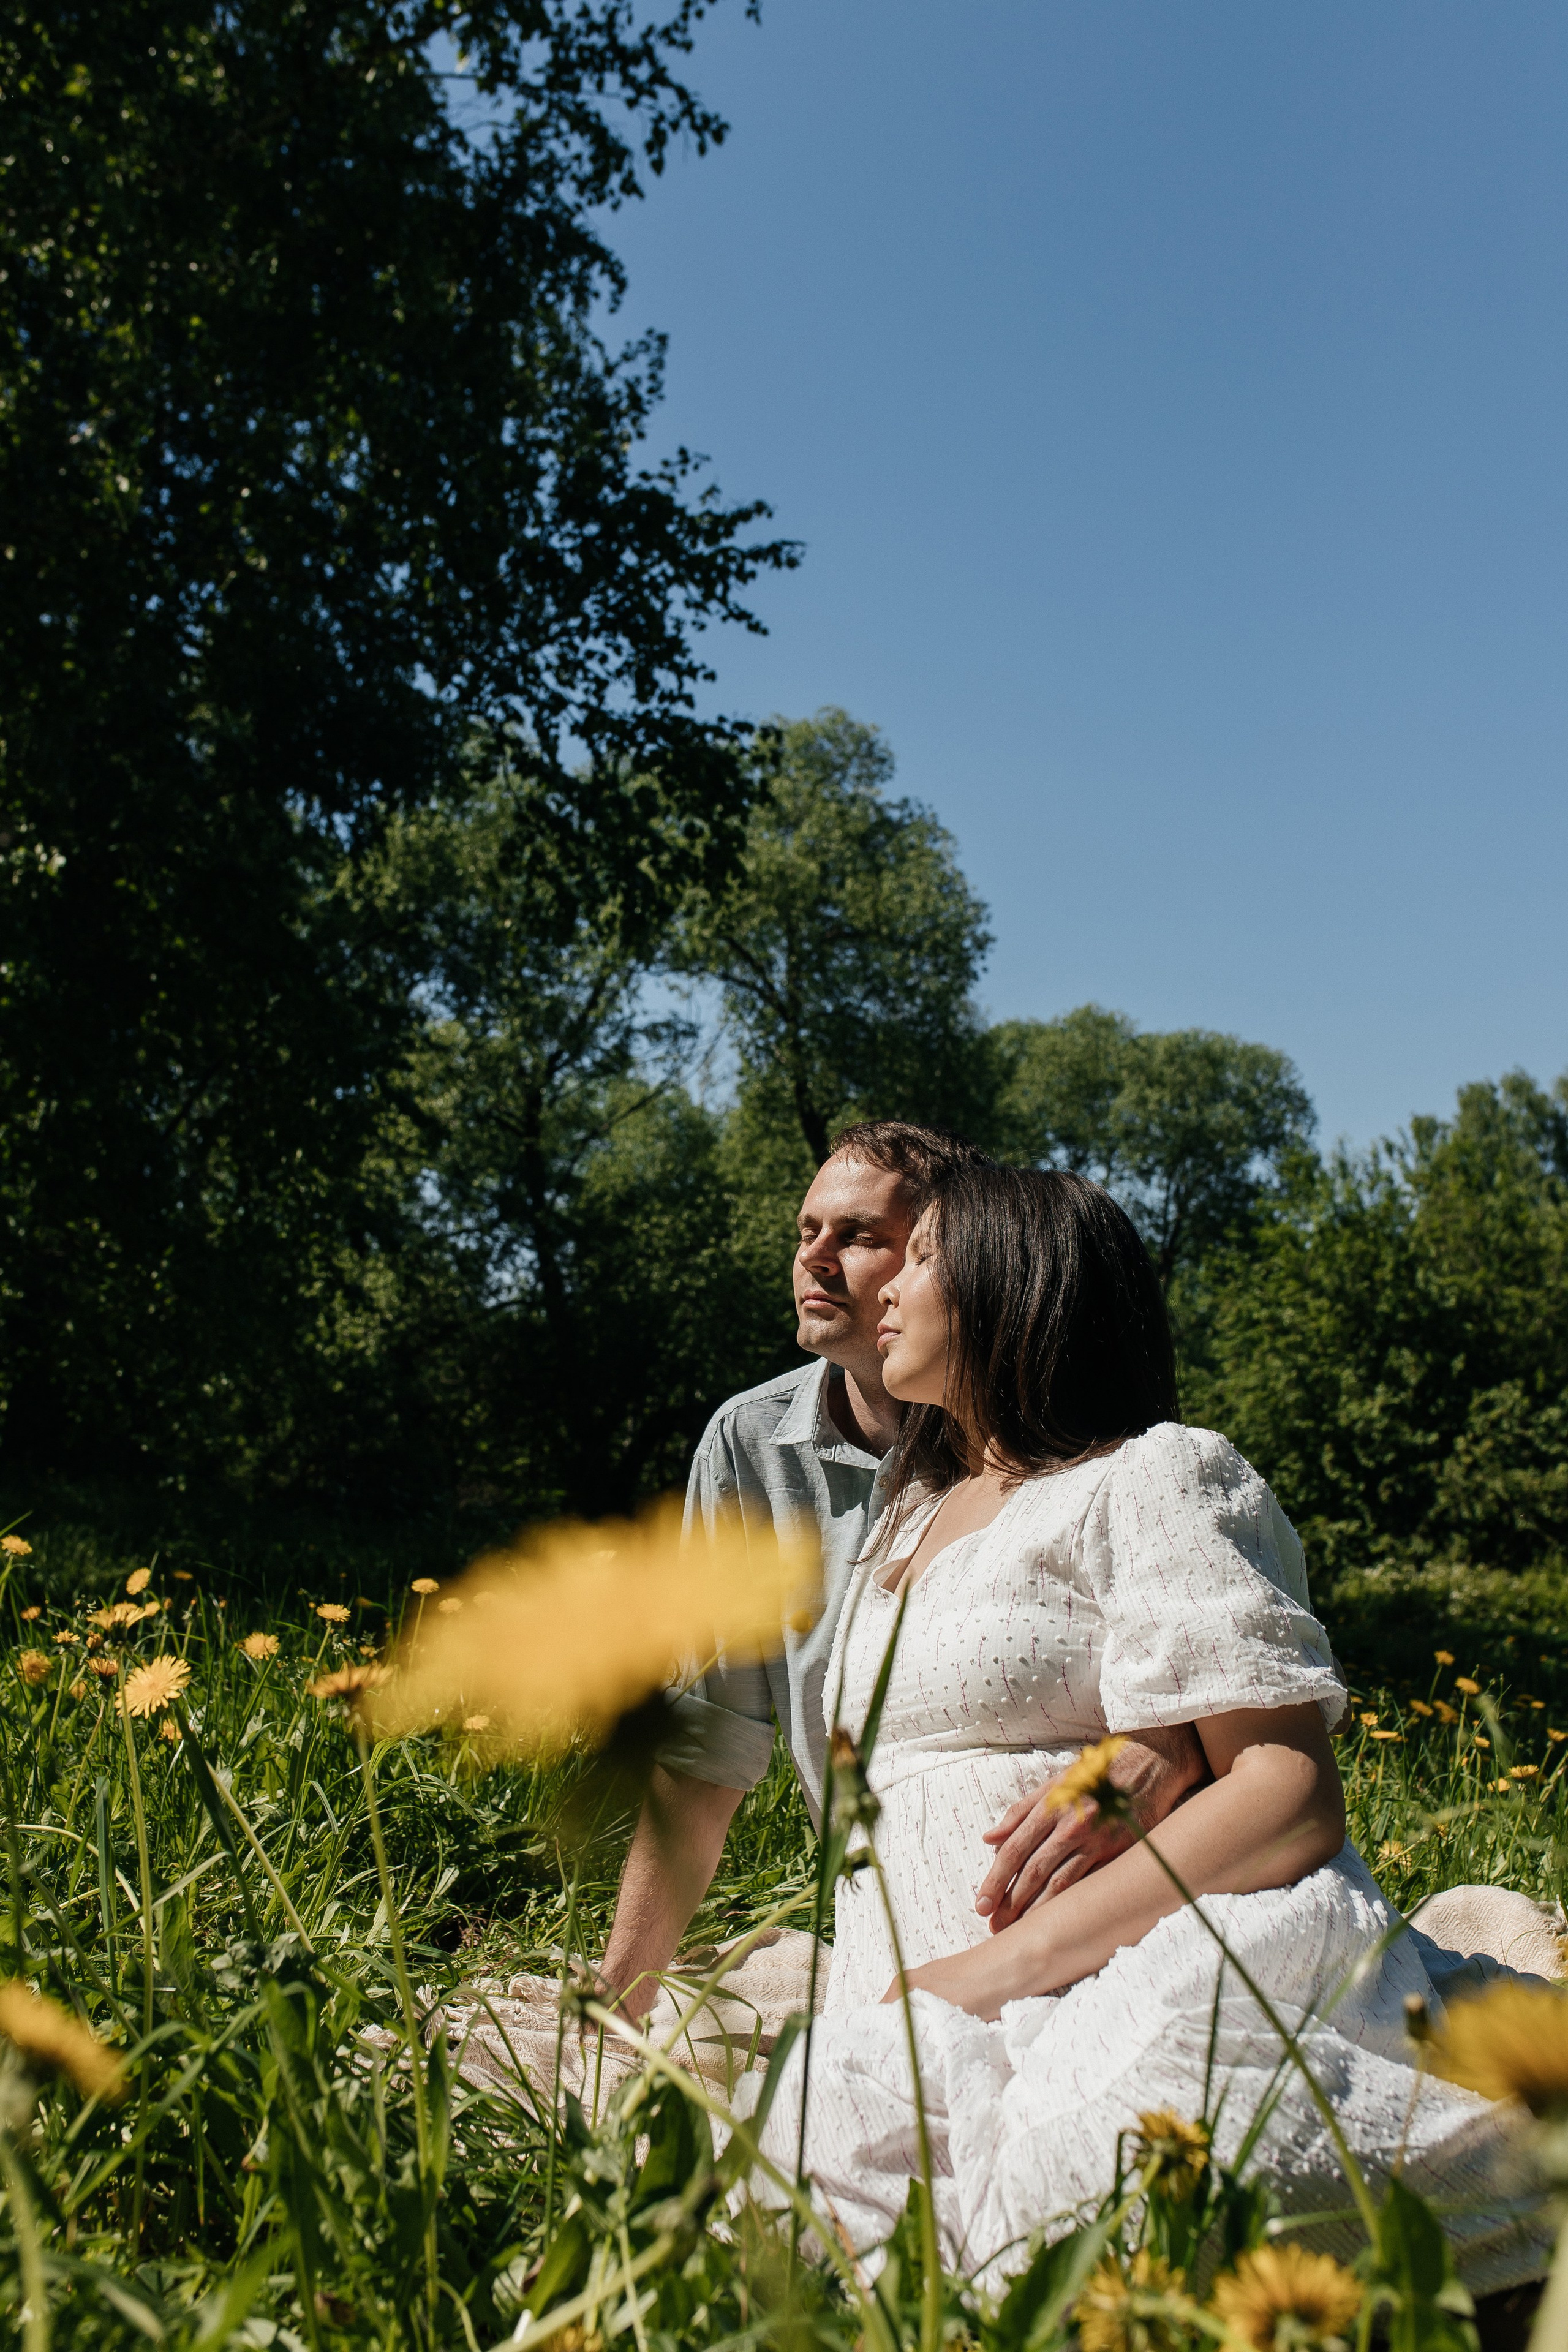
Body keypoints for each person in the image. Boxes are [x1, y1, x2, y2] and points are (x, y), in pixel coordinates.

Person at [745, 1164, 1546, 2296]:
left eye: (921, 1259)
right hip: (918, 1996)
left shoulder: (1148, 1475)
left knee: (1091, 2183)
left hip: (1124, 1961)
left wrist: (998, 1965)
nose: (882, 1284)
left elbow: (1289, 1793)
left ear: (1014, 1283)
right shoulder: (904, 1514)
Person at [597, 1123, 1206, 2018]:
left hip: (1104, 1900)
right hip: (895, 1924)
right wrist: (624, 1986)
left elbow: (1213, 1681)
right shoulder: (752, 1446)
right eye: (806, 1233)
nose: (816, 1261)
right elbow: (707, 1740)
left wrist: (1174, 1738)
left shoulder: (1055, 1449)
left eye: (861, 1237)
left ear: (968, 1257)